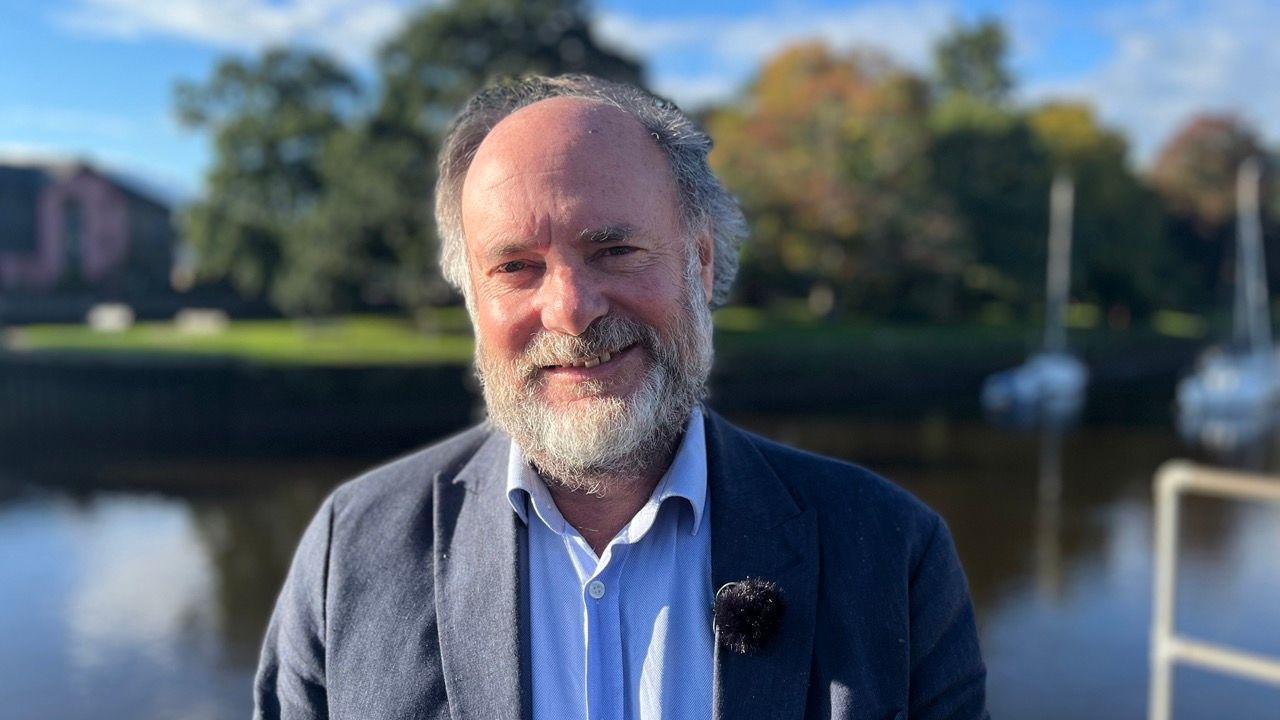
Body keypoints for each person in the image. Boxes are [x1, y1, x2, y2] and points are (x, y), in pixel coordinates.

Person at [254, 74, 988, 720]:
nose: (571, 309)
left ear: (698, 265)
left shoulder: (892, 553)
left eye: (614, 251)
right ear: (473, 303)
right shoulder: (348, 550)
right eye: (516, 266)